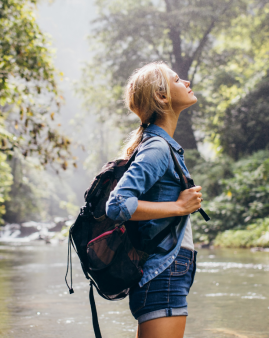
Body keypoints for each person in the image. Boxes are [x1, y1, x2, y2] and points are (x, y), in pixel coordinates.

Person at [105, 62, 203, 338]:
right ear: (162, 96)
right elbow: (118, 205)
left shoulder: (161, 146)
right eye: (176, 79)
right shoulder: (158, 147)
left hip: (166, 272)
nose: (185, 81)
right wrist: (179, 207)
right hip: (164, 273)